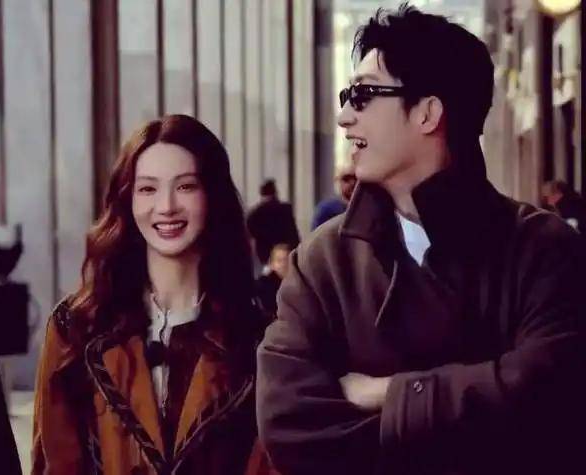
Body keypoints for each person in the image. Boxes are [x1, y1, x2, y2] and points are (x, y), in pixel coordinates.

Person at [256, 5, 586, 475]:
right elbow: (288, 425)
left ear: (428, 113)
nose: (345, 116)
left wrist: (389, 393)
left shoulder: (543, 250)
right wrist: (478, 406)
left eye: (364, 94)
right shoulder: (323, 263)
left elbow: (554, 405)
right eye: (348, 95)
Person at [32, 115, 276, 474]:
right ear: (127, 200)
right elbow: (55, 464)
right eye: (148, 189)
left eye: (186, 186)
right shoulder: (76, 327)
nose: (166, 206)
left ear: (212, 196)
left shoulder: (260, 339)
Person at [246, 180, 300, 267]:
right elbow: (293, 233)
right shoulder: (285, 209)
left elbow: (249, 236)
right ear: (275, 192)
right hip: (284, 254)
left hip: (265, 255)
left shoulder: (255, 213)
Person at [311, 163, 357, 230]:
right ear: (338, 181)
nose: (352, 183)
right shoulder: (326, 209)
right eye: (346, 179)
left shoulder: (368, 208)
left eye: (356, 178)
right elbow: (316, 234)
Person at [256, 244, 290, 318]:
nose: (284, 264)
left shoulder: (300, 280)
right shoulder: (266, 286)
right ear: (272, 265)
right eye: (279, 261)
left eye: (286, 259)